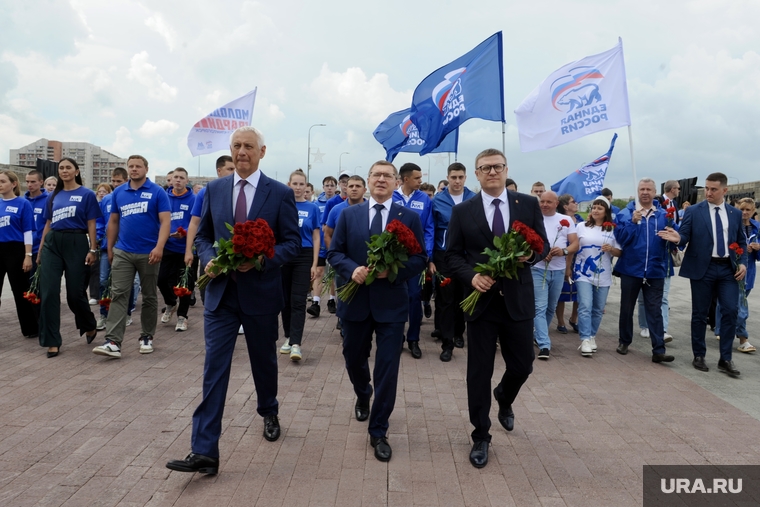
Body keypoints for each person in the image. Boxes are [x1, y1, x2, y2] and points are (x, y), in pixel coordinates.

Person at [166, 126, 300, 475]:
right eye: (237, 146)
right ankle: (205, 449)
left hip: (261, 294)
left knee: (263, 362)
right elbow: (204, 235)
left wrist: (260, 260)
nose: (242, 152)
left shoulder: (280, 193)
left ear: (262, 152)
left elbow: (291, 243)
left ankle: (268, 408)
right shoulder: (214, 188)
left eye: (249, 147)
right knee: (214, 369)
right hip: (221, 295)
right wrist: (209, 255)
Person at [446, 148, 548, 468]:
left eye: (497, 167)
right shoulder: (464, 211)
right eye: (485, 168)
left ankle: (504, 396)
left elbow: (541, 245)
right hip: (482, 305)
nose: (492, 172)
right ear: (476, 174)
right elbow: (452, 256)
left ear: (506, 170)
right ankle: (480, 435)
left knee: (523, 365)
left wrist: (528, 257)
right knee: (479, 372)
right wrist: (472, 277)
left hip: (517, 300)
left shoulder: (528, 204)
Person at [327, 160, 426, 462]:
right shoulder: (348, 215)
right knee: (354, 358)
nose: (381, 180)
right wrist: (351, 268)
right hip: (355, 301)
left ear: (397, 182)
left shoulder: (408, 217)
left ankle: (379, 429)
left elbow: (420, 257)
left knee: (387, 368)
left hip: (391, 305)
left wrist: (392, 271)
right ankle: (362, 393)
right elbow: (334, 252)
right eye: (376, 175)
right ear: (368, 181)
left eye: (388, 176)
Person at [662, 172, 746, 377]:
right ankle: (699, 355)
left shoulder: (734, 214)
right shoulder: (694, 211)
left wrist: (742, 263)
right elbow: (684, 236)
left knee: (730, 311)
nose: (708, 192)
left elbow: (741, 241)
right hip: (703, 268)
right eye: (706, 188)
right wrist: (676, 238)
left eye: (713, 189)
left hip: (727, 269)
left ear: (724, 191)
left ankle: (725, 358)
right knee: (699, 313)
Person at [92, 155, 171, 358]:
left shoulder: (157, 192)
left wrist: (159, 247)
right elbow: (114, 222)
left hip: (149, 253)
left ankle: (146, 337)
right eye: (131, 166)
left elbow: (165, 222)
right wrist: (110, 248)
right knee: (118, 294)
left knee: (149, 296)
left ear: (146, 168)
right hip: (123, 251)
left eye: (138, 166)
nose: (134, 169)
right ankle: (113, 341)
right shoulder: (119, 192)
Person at [36, 159, 101, 357]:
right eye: (61, 168)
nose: (64, 171)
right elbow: (48, 224)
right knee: (48, 293)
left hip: (77, 241)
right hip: (52, 244)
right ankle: (51, 341)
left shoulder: (87, 194)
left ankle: (89, 324)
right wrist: (39, 251)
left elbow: (92, 224)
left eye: (68, 168)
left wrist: (92, 250)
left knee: (75, 294)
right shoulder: (53, 195)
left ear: (76, 171)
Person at [613, 178, 675, 364]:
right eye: (642, 189)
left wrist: (674, 235)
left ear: (655, 191)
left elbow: (676, 237)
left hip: (655, 270)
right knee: (627, 308)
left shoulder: (664, 215)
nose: (645, 192)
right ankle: (624, 341)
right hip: (631, 269)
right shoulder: (625, 214)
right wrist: (633, 222)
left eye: (649, 189)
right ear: (637, 191)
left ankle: (658, 349)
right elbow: (621, 238)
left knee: (654, 310)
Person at [431, 162, 476, 361]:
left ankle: (459, 332)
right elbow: (431, 230)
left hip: (467, 256)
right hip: (444, 255)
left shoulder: (474, 199)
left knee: (463, 296)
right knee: (445, 298)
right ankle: (447, 342)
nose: (457, 181)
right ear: (448, 178)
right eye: (453, 177)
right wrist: (430, 259)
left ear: (465, 178)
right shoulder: (437, 201)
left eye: (460, 177)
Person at [392, 163, 434, 359]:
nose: (421, 181)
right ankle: (397, 337)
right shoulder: (392, 197)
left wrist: (427, 254)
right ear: (406, 179)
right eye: (417, 178)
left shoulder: (424, 198)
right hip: (393, 260)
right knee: (395, 298)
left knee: (415, 297)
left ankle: (414, 339)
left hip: (416, 260)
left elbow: (429, 228)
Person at [532, 191, 578, 360]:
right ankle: (544, 344)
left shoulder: (564, 221)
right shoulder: (534, 218)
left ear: (556, 203)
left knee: (551, 307)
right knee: (540, 307)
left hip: (558, 270)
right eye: (542, 201)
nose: (544, 204)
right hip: (537, 269)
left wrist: (563, 251)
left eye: (548, 202)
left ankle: (537, 335)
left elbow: (575, 244)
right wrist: (539, 253)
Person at [279, 170, 320, 361]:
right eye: (294, 183)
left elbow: (316, 235)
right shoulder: (282, 205)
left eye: (301, 184)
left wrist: (314, 263)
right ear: (289, 184)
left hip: (304, 256)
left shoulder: (312, 208)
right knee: (284, 301)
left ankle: (296, 343)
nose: (298, 187)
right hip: (284, 255)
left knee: (298, 300)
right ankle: (288, 337)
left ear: (306, 187)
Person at [572, 197, 622, 356]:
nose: (595, 210)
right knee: (585, 304)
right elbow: (573, 245)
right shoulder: (581, 227)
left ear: (606, 212)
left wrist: (611, 250)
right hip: (582, 273)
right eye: (594, 207)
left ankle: (592, 335)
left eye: (599, 208)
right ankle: (585, 338)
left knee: (598, 308)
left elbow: (619, 252)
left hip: (603, 274)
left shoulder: (612, 230)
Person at [184, 156, 235, 308]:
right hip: (211, 251)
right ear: (219, 171)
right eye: (230, 169)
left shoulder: (240, 192)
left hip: (235, 250)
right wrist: (188, 251)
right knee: (207, 290)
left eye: (235, 169)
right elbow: (194, 223)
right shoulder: (206, 192)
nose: (234, 172)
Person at [714, 197, 759, 353]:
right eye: (742, 209)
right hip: (730, 269)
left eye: (748, 210)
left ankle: (722, 330)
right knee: (738, 305)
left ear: (753, 211)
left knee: (738, 302)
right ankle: (742, 338)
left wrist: (757, 248)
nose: (744, 213)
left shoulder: (757, 228)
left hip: (749, 271)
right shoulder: (730, 224)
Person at [95, 168, 137, 331]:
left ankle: (126, 313)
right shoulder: (106, 200)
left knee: (127, 282)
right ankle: (103, 314)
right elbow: (100, 221)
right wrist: (99, 238)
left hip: (126, 247)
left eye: (119, 181)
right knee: (104, 280)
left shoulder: (132, 198)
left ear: (126, 180)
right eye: (113, 181)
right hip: (107, 247)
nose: (115, 184)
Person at [157, 167, 196, 332]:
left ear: (187, 181)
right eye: (175, 177)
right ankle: (171, 303)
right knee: (161, 279)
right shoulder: (165, 197)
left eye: (181, 177)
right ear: (171, 180)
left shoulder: (193, 199)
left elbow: (196, 221)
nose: (178, 180)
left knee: (185, 283)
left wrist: (185, 233)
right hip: (168, 246)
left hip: (186, 248)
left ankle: (182, 316)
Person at [0, 170, 37, 338]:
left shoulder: (23, 204)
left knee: (20, 291)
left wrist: (28, 255)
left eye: (2, 181)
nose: (0, 185)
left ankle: (30, 328)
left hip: (16, 250)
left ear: (13, 184)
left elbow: (27, 231)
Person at [320, 171, 351, 315]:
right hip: (338, 249)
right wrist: (331, 250)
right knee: (337, 277)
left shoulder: (363, 203)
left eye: (348, 181)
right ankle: (336, 304)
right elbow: (326, 228)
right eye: (343, 182)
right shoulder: (333, 203)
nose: (346, 185)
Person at [309, 175, 338, 318]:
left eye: (332, 185)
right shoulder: (316, 204)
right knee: (319, 272)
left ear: (336, 187)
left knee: (332, 273)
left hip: (332, 242)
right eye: (327, 185)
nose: (329, 188)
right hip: (320, 244)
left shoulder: (337, 203)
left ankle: (332, 299)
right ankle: (316, 302)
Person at [555, 194, 582, 333]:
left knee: (579, 292)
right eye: (573, 202)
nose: (576, 203)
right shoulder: (560, 220)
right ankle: (560, 322)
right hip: (564, 258)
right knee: (562, 293)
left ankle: (574, 319)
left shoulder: (582, 221)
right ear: (565, 206)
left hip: (580, 260)